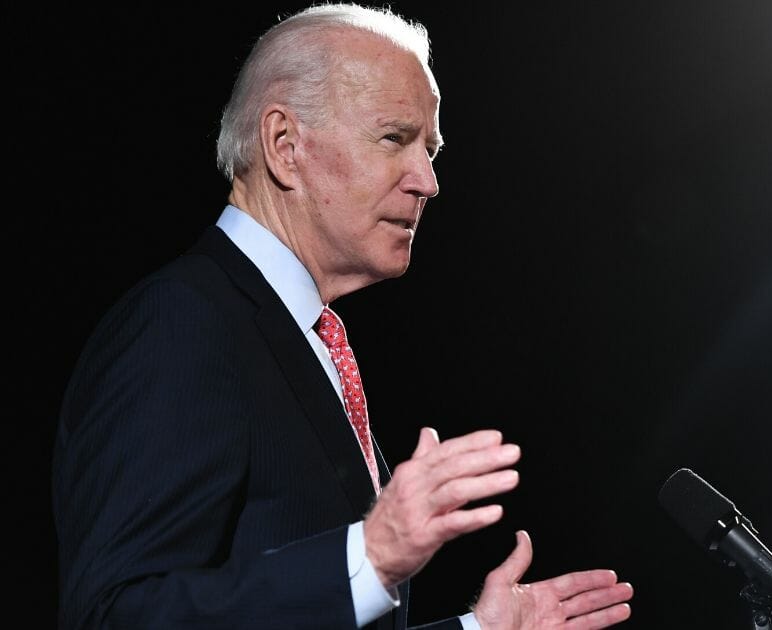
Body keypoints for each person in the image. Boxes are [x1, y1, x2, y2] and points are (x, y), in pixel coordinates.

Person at [51, 3, 634, 629]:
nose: (428, 181)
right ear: (285, 146)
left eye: (430, 149)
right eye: (395, 138)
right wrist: (372, 556)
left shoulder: (303, 339)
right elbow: (113, 615)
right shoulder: (182, 325)